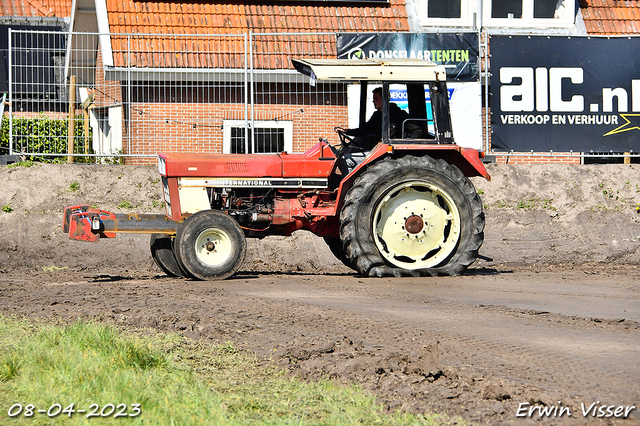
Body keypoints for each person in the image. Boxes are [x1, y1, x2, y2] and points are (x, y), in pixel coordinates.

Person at [344, 87, 422, 150]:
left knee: (347, 161)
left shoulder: (399, 114)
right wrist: (346, 131)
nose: (373, 101)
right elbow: (364, 130)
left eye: (376, 98)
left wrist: (405, 146)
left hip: (391, 150)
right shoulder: (377, 116)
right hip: (380, 148)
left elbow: (417, 130)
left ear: (384, 99)